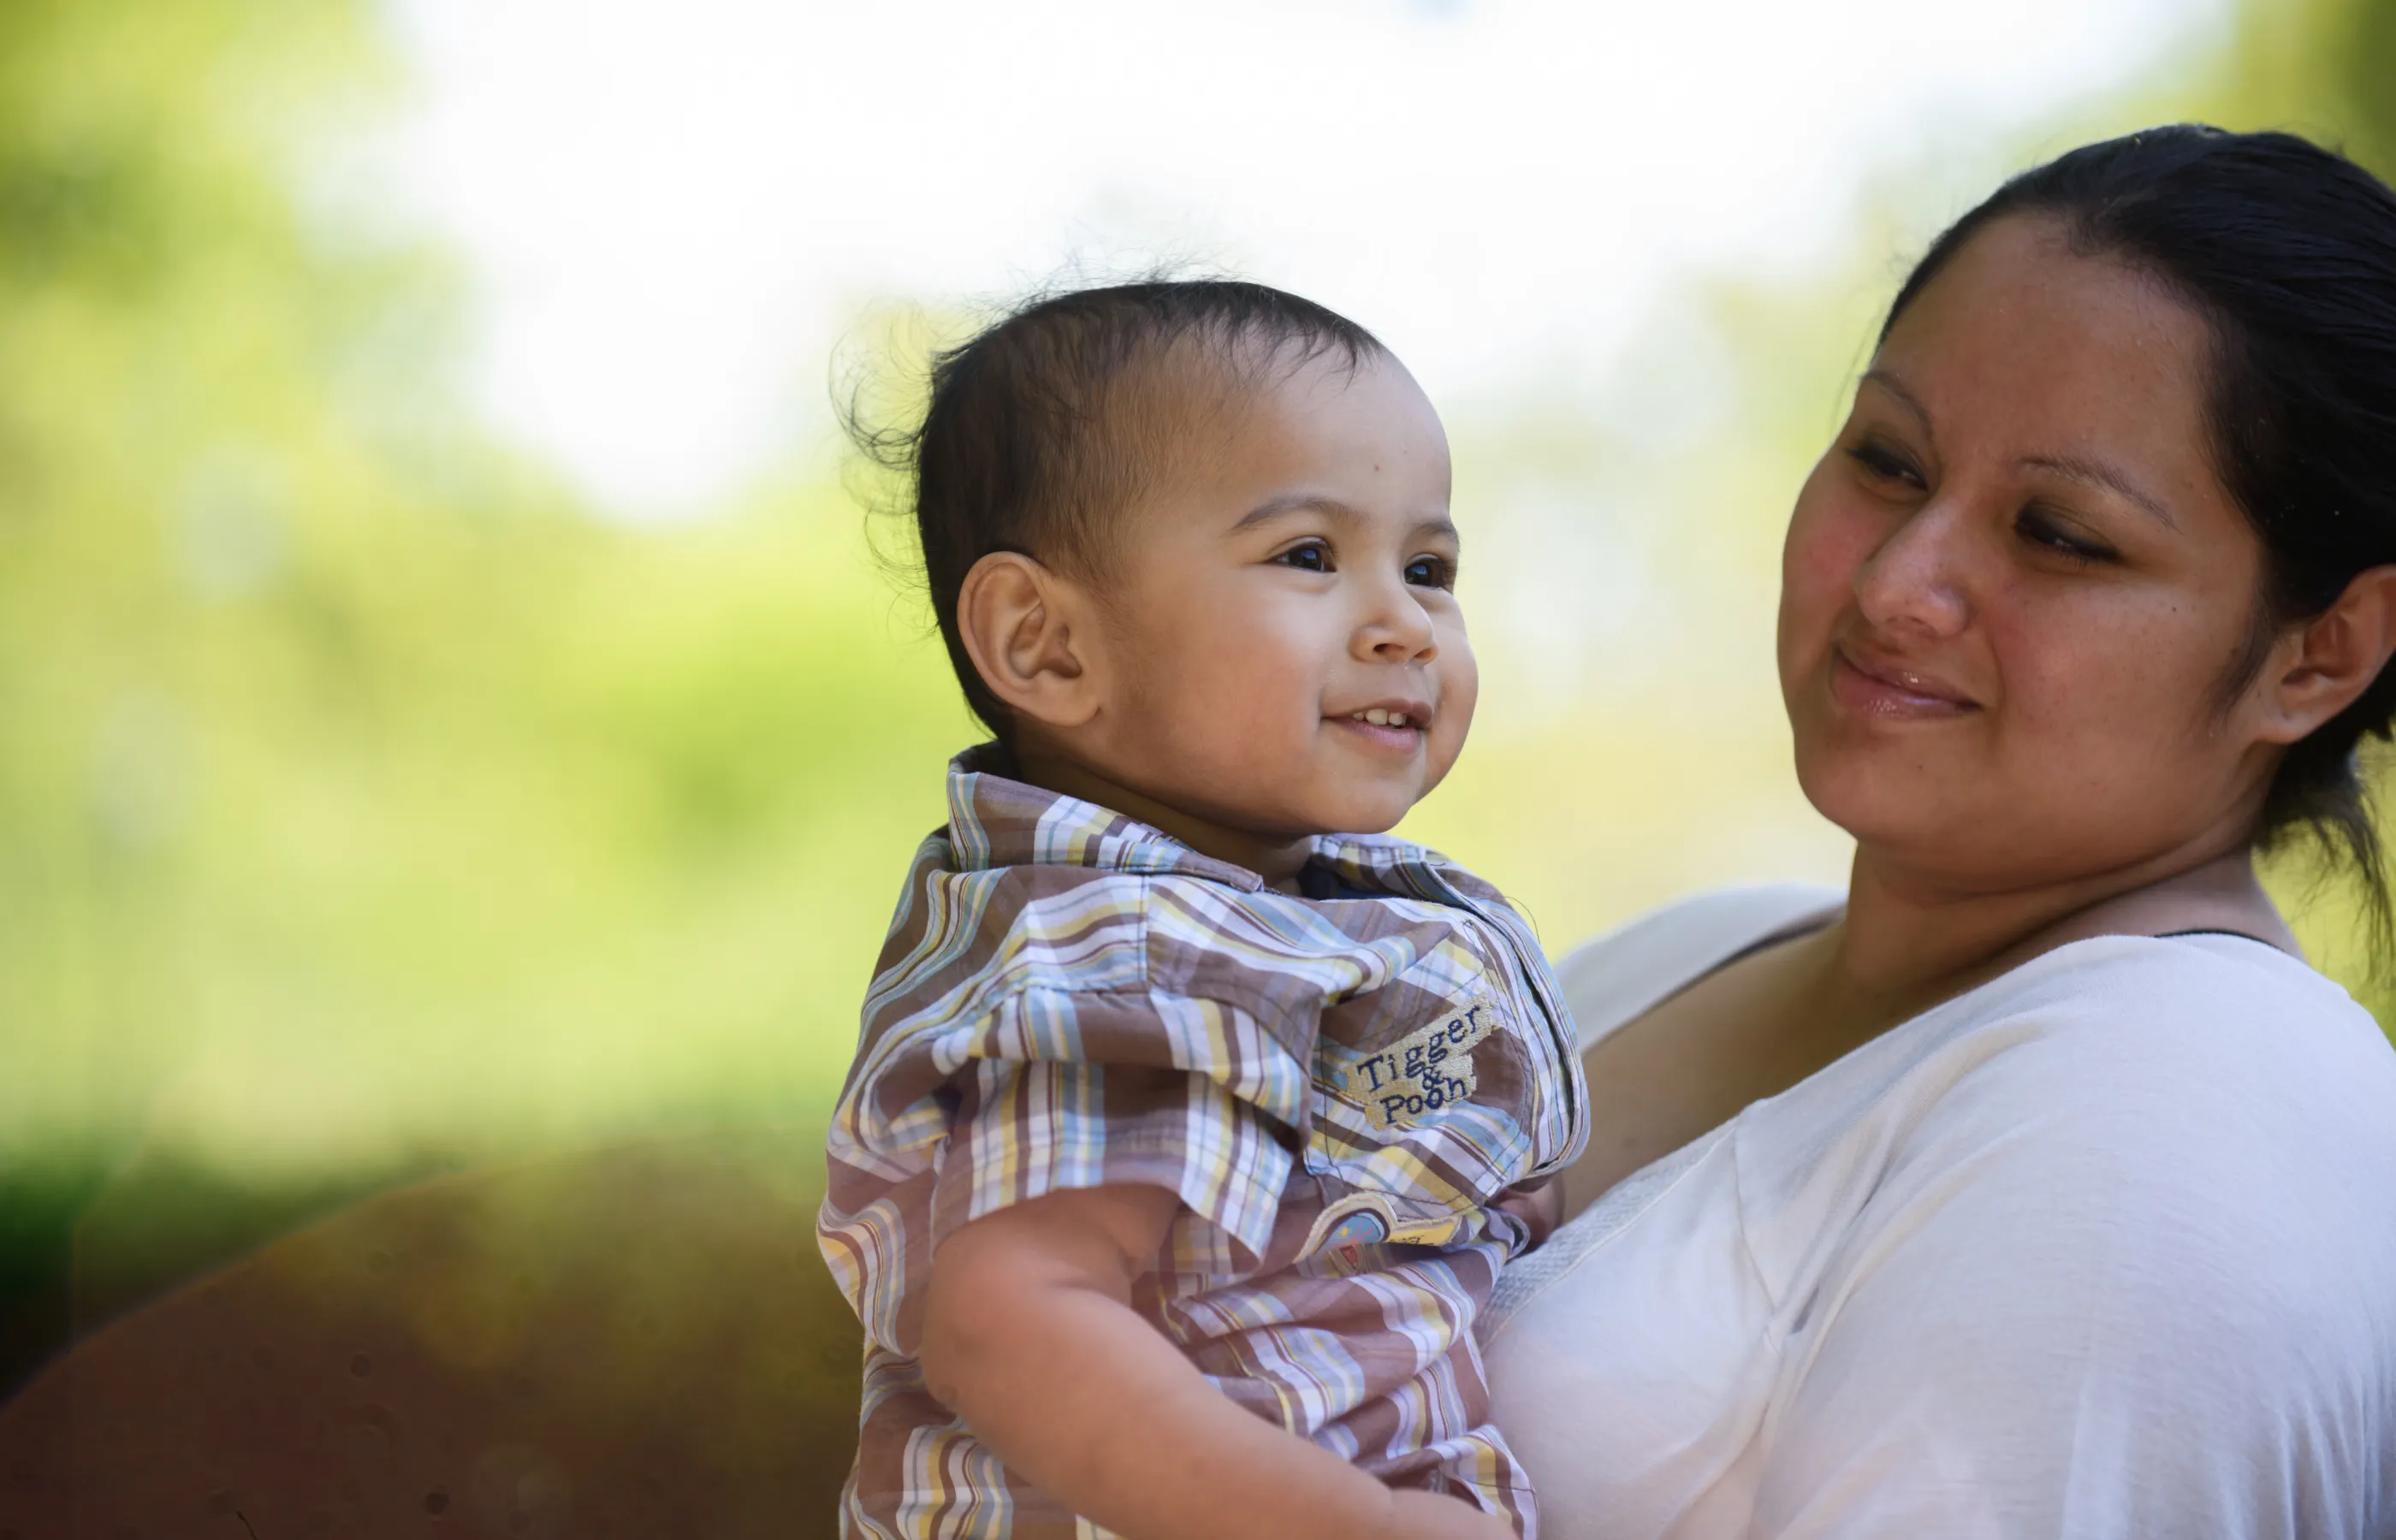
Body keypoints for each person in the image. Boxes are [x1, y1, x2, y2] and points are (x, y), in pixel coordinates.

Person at [1482, 125, 2396, 1538]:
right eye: (1890, 462)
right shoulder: (1691, 945)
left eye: (2062, 535)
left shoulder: (2187, 1116)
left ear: (2320, 653)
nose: (1903, 584)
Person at [817, 281, 1586, 1540]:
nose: (1402, 622)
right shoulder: (1126, 954)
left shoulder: (1278, 915)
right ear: (1047, 645)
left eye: (1429, 567)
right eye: (1308, 557)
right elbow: (1010, 1322)